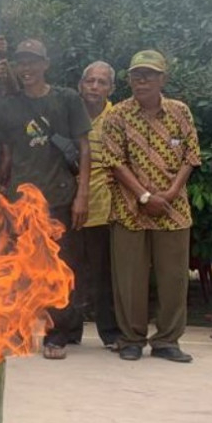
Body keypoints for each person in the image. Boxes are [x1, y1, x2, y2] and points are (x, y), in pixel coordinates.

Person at [0, 40, 91, 359]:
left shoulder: (67, 99)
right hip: (21, 200)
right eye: (22, 63)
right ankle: (18, 331)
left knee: (58, 268)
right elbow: (5, 152)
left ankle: (56, 334)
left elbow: (84, 148)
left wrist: (82, 194)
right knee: (20, 269)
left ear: (46, 64)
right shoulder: (8, 105)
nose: (27, 68)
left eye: (33, 62)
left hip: (59, 196)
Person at [103, 50, 201, 363]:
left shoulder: (180, 112)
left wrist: (169, 195)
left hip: (173, 210)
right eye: (136, 74)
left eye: (149, 74)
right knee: (129, 279)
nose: (142, 80)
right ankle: (131, 338)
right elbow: (114, 162)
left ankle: (167, 341)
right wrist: (145, 197)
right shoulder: (117, 115)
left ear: (163, 79)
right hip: (130, 209)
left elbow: (191, 157)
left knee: (173, 278)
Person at [74, 61, 120, 347]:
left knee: (105, 276)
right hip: (72, 204)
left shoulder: (119, 117)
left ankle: (111, 333)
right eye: (90, 81)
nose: (95, 87)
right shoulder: (69, 113)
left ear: (111, 88)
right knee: (71, 273)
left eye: (102, 82)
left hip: (106, 208)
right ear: (81, 85)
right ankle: (67, 332)